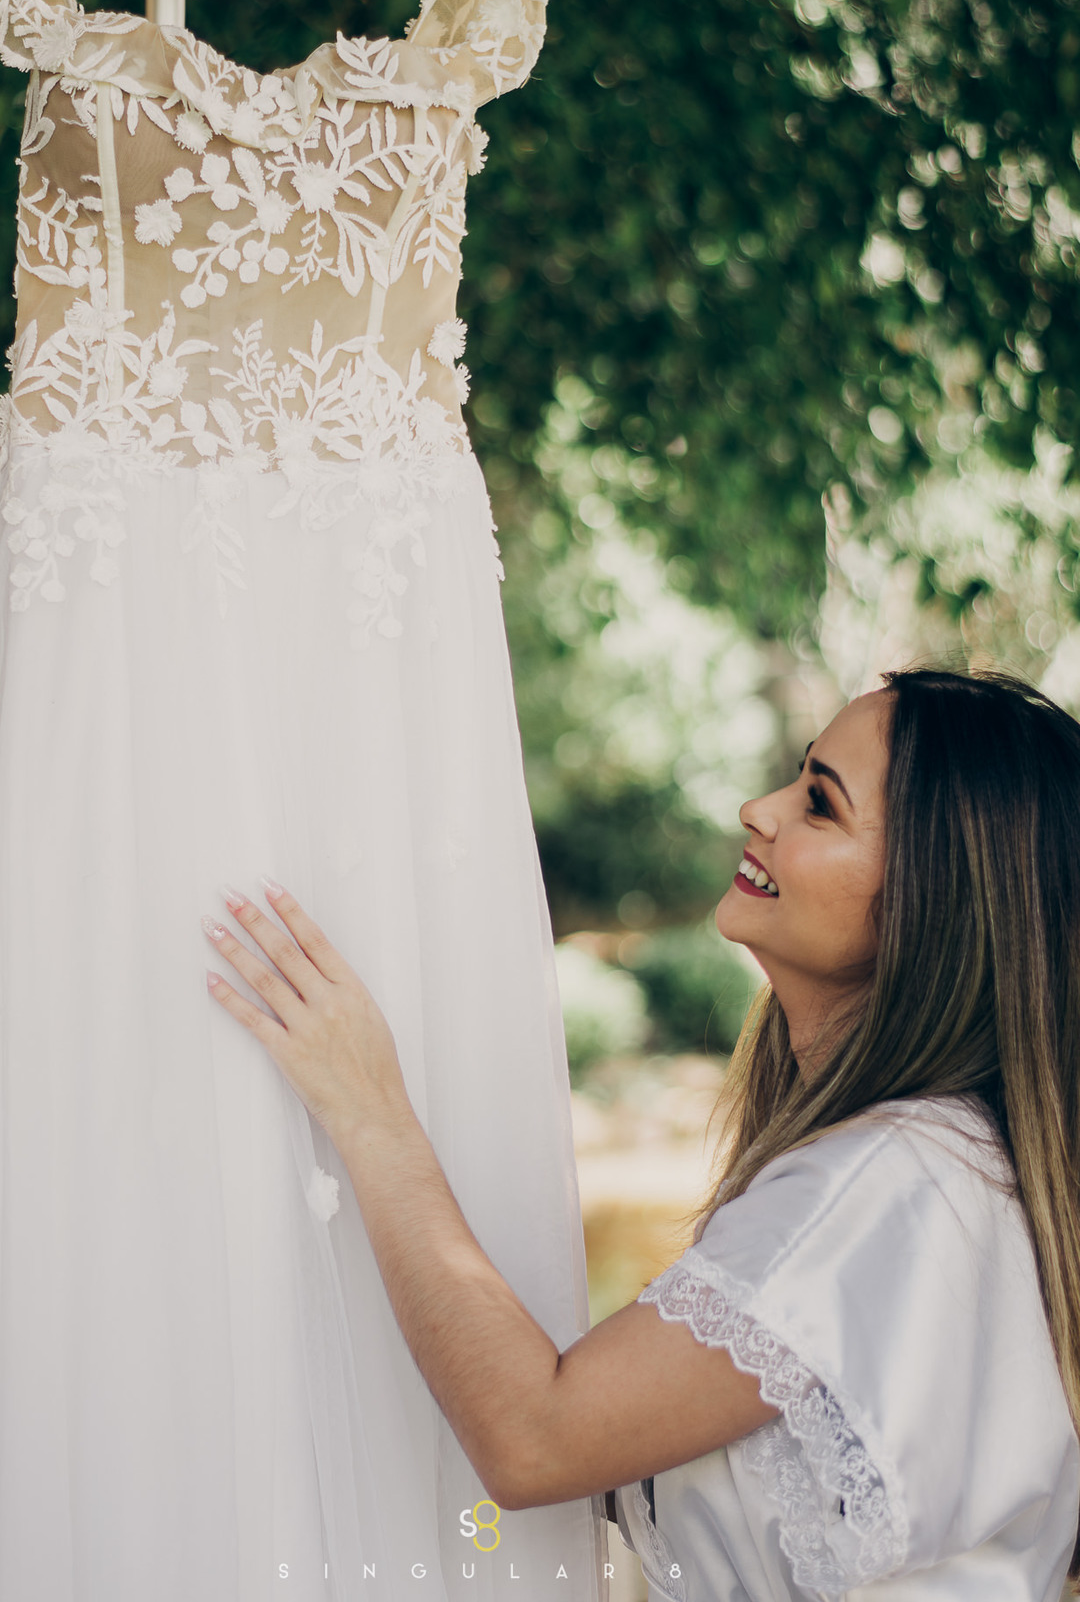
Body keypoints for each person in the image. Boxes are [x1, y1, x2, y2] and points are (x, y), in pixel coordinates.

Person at [203, 666, 1080, 1600]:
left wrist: (370, 1111)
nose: (759, 808)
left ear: (929, 901)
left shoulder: (888, 1185)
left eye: (820, 805)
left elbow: (534, 1441)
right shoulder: (951, 1169)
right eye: (798, 774)